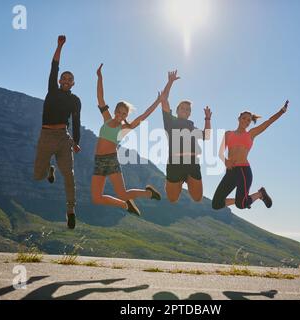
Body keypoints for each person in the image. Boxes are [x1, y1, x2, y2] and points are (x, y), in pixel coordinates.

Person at [92, 63, 162, 216]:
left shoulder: (124, 129)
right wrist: (99, 77)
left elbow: (143, 116)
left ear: (126, 116)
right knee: (97, 198)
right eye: (119, 112)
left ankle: (149, 193)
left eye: (124, 114)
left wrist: (158, 101)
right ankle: (125, 205)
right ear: (115, 111)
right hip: (98, 160)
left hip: (110, 160)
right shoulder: (106, 119)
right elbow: (100, 97)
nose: (121, 115)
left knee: (123, 193)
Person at [33, 35, 81, 229]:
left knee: (69, 173)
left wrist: (76, 141)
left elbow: (76, 121)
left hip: (63, 138)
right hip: (46, 136)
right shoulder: (52, 89)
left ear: (73, 83)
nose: (66, 80)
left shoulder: (75, 100)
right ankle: (49, 169)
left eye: (70, 79)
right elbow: (54, 65)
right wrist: (59, 46)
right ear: (60, 80)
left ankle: (70, 210)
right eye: (64, 78)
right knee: (38, 175)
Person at [212, 100, 289, 210]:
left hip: (243, 170)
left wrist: (281, 111)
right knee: (216, 204)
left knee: (241, 205)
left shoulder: (251, 134)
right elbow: (219, 152)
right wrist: (226, 161)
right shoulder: (228, 134)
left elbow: (268, 122)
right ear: (239, 119)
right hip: (230, 171)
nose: (246, 121)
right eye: (244, 118)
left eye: (248, 120)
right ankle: (242, 199)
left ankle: (259, 194)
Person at [161, 70, 212, 203]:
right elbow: (164, 100)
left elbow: (207, 136)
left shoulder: (193, 128)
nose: (185, 110)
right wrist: (170, 82)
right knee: (172, 199)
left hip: (192, 163)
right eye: (182, 108)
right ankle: (175, 182)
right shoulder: (170, 122)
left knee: (197, 198)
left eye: (188, 109)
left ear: (190, 113)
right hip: (174, 163)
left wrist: (207, 118)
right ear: (177, 110)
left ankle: (186, 180)